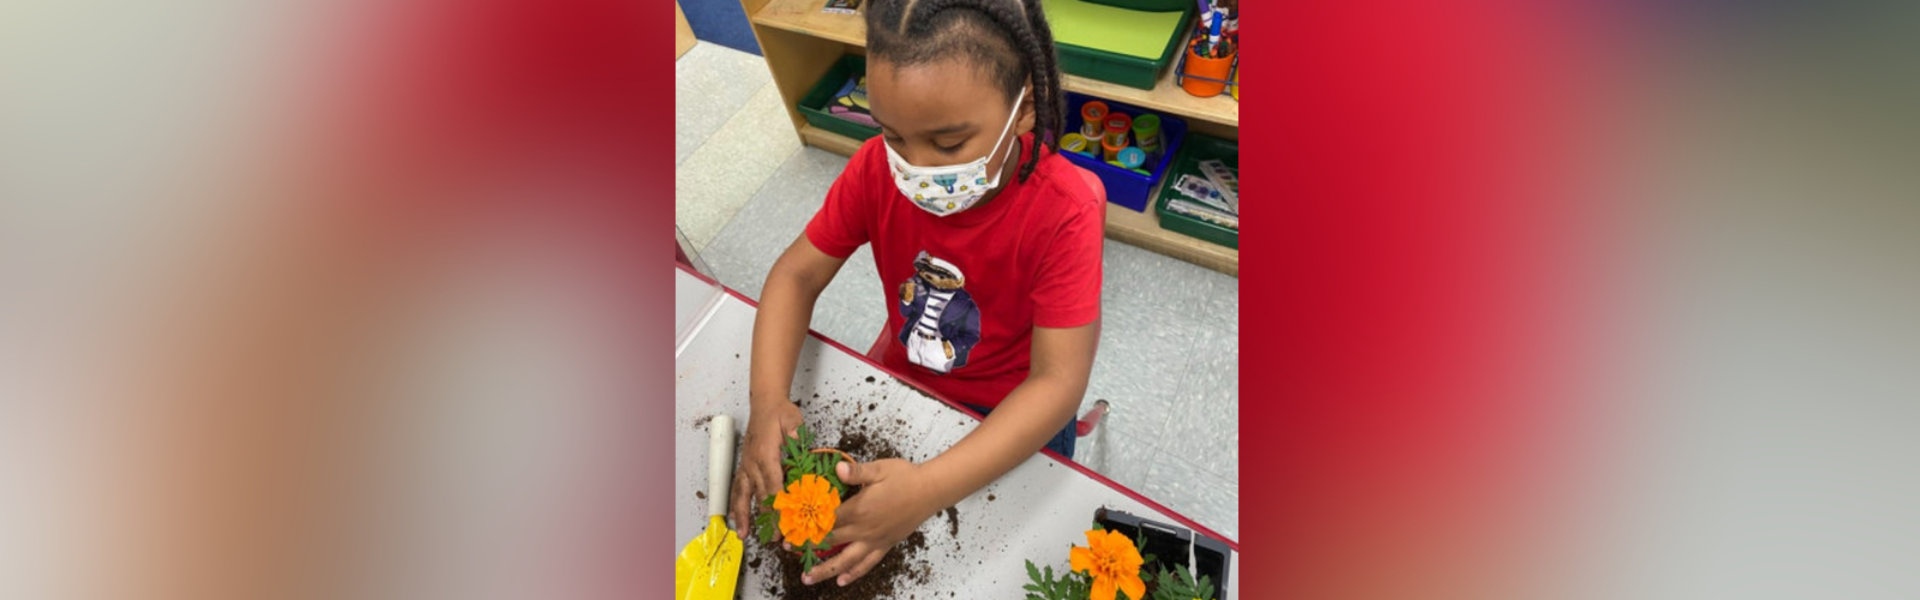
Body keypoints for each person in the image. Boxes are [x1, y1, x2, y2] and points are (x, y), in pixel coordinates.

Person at [726, 0, 1107, 588]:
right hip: (907, 381)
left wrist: (925, 491)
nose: (916, 169)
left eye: (949, 145)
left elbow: (1057, 383)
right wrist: (768, 399)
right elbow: (796, 275)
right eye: (893, 134)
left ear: (1025, 107)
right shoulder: (877, 171)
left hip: (1013, 416)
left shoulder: (1067, 209)